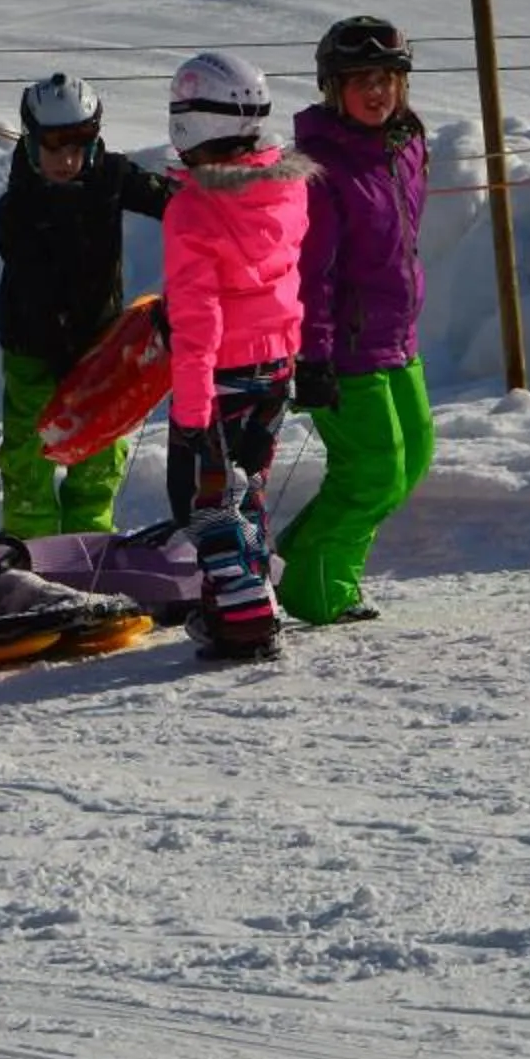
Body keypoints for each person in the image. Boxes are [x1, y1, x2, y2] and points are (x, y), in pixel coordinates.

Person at [157, 52, 316, 662]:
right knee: (246, 490)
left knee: (210, 500)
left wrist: (192, 412)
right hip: (274, 367)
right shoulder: (284, 193)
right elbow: (282, 279)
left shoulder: (194, 209)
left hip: (219, 375)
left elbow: (198, 322)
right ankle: (239, 605)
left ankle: (244, 619)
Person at [277, 15, 435, 628]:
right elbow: (310, 276)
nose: (377, 92)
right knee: (371, 470)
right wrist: (311, 358)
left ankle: (294, 559)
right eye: (360, 80)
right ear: (331, 88)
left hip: (396, 337)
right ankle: (319, 592)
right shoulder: (319, 170)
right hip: (341, 348)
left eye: (388, 78)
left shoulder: (403, 147)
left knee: (412, 456)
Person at [0, 72, 174, 538]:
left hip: (98, 343)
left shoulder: (111, 175)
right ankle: (30, 548)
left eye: (78, 146)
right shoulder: (18, 204)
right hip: (33, 346)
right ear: (31, 142)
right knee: (29, 452)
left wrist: (214, 202)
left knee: (100, 449)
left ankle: (88, 541)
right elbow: (26, 265)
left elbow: (170, 202)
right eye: (53, 147)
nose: (66, 160)